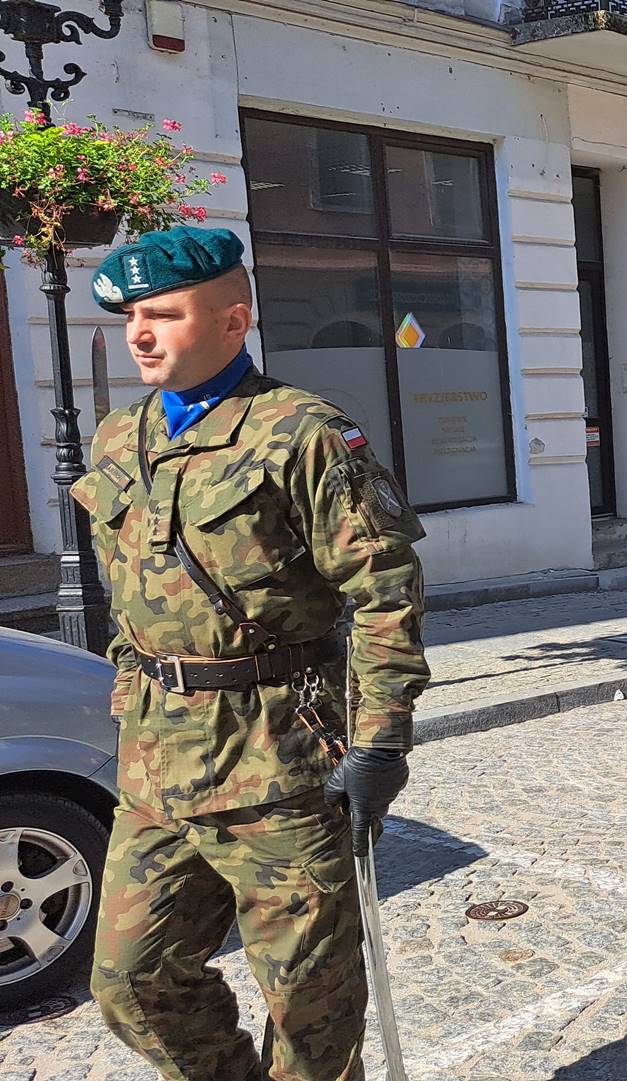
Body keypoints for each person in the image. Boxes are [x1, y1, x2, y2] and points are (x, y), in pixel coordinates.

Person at [70, 225, 429, 1080]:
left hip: (280, 759)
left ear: (234, 321)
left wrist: (381, 742)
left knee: (311, 1009)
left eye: (165, 314)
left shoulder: (301, 432)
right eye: (131, 318)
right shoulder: (118, 437)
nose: (141, 334)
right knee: (131, 980)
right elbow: (129, 592)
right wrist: (128, 695)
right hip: (157, 765)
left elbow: (385, 590)